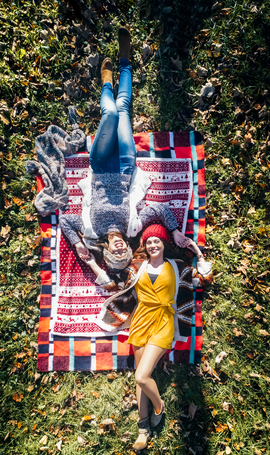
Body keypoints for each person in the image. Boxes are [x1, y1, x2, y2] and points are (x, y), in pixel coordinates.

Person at [59, 27, 190, 272]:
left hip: (100, 164)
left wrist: (77, 244)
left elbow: (65, 220)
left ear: (107, 251)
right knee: (122, 108)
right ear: (129, 249)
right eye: (124, 253)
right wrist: (174, 231)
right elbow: (160, 209)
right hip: (125, 164)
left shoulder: (91, 229)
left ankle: (106, 83)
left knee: (109, 113)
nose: (120, 249)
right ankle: (125, 60)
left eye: (115, 254)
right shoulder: (134, 226)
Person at [83, 224, 213, 451]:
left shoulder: (177, 266)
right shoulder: (136, 267)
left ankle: (159, 406)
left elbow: (203, 281)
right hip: (140, 323)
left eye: (157, 241)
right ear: (144, 246)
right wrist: (92, 264)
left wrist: (199, 253)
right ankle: (143, 430)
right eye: (149, 242)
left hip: (163, 323)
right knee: (140, 377)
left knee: (143, 376)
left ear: (164, 245)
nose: (153, 245)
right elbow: (116, 286)